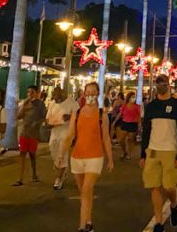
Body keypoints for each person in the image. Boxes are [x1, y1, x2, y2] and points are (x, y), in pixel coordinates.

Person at [64, 82, 114, 232]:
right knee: (84, 192)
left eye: (93, 92)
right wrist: (61, 154)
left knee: (86, 189)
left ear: (98, 94)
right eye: (88, 92)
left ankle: (81, 226)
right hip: (77, 157)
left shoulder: (102, 114)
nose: (90, 95)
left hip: (95, 157)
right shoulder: (77, 113)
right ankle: (89, 222)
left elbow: (106, 138)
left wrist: (110, 159)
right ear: (84, 94)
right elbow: (70, 135)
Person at [141, 75, 177, 232]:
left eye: (164, 84)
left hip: (170, 150)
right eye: (158, 83)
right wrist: (143, 154)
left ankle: (174, 205)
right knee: (154, 186)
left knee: (169, 187)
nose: (161, 86)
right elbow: (146, 130)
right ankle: (159, 222)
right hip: (153, 150)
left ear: (169, 85)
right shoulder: (151, 106)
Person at [46, 86, 79, 190]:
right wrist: (49, 123)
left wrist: (69, 117)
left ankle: (59, 178)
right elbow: (48, 118)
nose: (55, 99)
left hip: (67, 132)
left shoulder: (72, 103)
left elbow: (79, 116)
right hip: (55, 131)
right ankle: (63, 170)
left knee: (62, 153)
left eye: (56, 97)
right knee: (53, 149)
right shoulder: (52, 104)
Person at [14, 85, 47, 186]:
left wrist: (37, 122)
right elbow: (18, 116)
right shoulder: (25, 103)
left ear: (37, 93)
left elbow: (44, 116)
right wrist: (23, 106)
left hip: (34, 133)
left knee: (32, 155)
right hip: (24, 132)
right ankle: (20, 178)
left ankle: (34, 174)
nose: (30, 94)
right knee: (22, 154)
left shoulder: (40, 104)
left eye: (32, 92)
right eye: (28, 92)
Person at [114, 91, 141, 160]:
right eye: (132, 97)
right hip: (125, 123)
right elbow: (120, 114)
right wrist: (114, 121)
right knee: (121, 139)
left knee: (130, 139)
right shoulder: (125, 106)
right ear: (128, 98)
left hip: (133, 124)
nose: (133, 98)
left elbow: (139, 116)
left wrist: (139, 125)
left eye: (134, 97)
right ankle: (124, 151)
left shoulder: (137, 106)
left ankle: (129, 153)